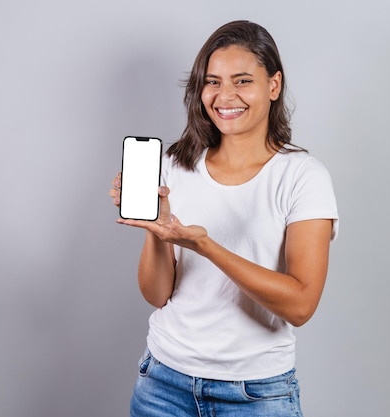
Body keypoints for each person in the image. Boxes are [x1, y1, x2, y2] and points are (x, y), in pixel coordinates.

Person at [109, 20, 339, 417]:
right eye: (212, 81)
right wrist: (157, 232)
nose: (224, 95)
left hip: (256, 394)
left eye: (242, 80)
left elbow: (301, 304)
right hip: (163, 382)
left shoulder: (303, 177)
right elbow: (157, 295)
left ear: (274, 85)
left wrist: (205, 246)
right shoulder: (175, 165)